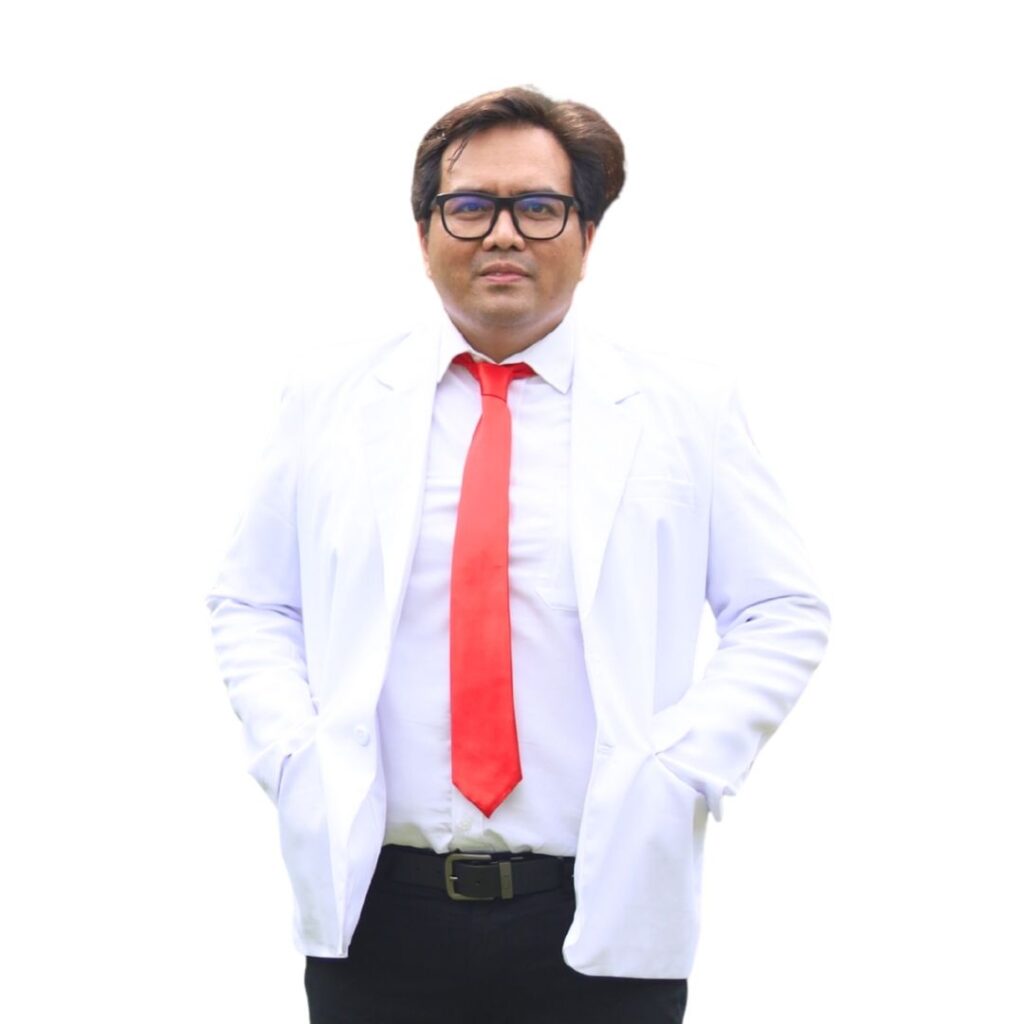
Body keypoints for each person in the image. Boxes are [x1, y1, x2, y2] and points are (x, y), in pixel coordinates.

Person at [206, 86, 830, 1024]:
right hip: (380, 902)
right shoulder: (329, 400)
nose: (504, 233)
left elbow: (780, 608)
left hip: (601, 894)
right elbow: (254, 601)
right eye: (470, 206)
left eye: (539, 207)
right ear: (424, 234)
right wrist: (292, 754)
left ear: (588, 234)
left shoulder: (683, 409)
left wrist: (685, 768)